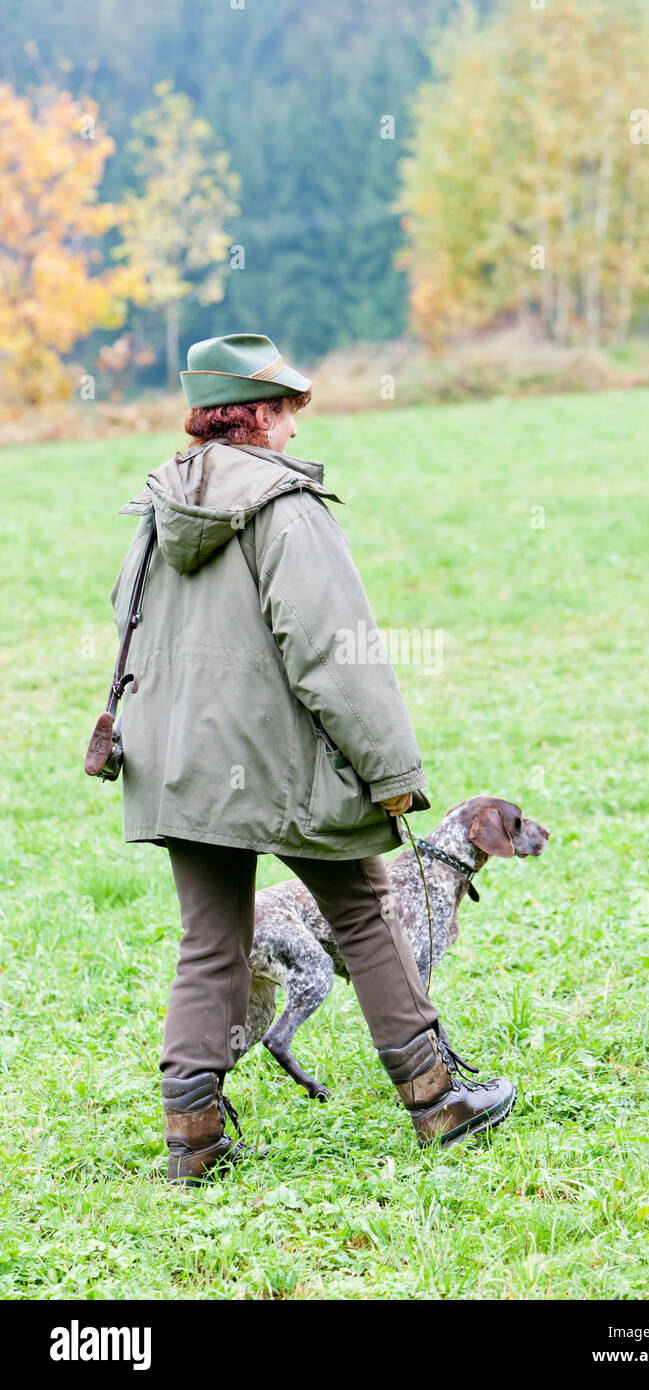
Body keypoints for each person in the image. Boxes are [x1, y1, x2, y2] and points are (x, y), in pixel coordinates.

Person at [109, 333, 515, 1185]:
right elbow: (337, 654)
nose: (295, 426)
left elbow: (129, 630)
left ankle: (192, 1141)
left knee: (208, 943)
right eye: (287, 409)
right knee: (365, 911)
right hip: (280, 766)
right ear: (255, 415)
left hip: (179, 768)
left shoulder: (156, 507)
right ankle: (438, 1099)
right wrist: (393, 774)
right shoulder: (287, 509)